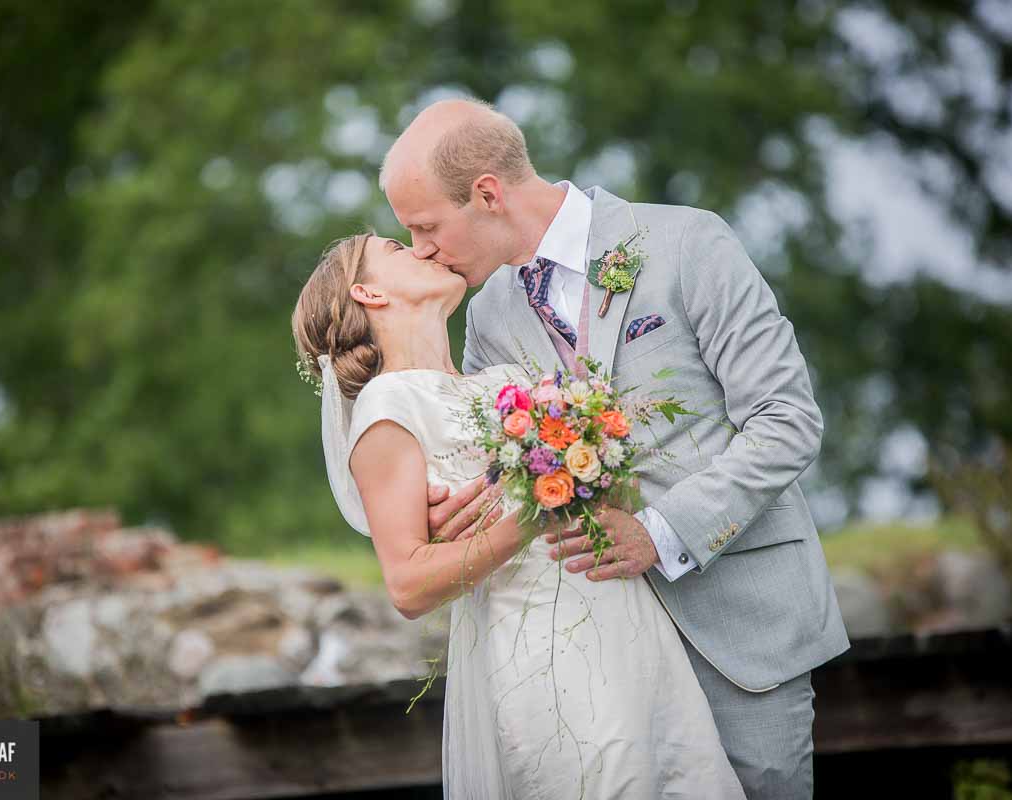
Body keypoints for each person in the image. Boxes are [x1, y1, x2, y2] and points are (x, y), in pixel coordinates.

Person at [377, 98, 851, 800]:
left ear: (485, 194)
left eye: (424, 227)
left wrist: (661, 534)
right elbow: (501, 466)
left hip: (738, 629)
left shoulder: (688, 242)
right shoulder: (489, 316)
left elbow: (785, 420)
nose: (419, 249)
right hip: (597, 661)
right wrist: (450, 507)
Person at [292, 232, 747, 798]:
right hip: (546, 650)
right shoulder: (388, 409)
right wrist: (533, 513)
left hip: (631, 628)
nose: (423, 248)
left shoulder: (507, 383)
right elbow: (408, 585)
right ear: (369, 292)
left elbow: (612, 494)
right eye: (394, 247)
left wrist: (602, 461)